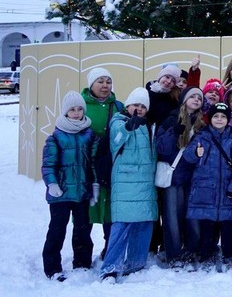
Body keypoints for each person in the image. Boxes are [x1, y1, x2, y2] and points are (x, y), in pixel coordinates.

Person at [99, 87, 157, 282]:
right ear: (128, 106)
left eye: (143, 106)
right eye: (135, 105)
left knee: (143, 224)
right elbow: (116, 139)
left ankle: (136, 264)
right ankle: (110, 268)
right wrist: (128, 127)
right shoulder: (118, 121)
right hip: (126, 183)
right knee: (121, 227)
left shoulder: (148, 125)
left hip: (146, 183)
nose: (139, 109)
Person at [182, 102, 232, 268]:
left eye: (223, 116)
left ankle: (229, 253)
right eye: (216, 116)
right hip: (206, 191)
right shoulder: (202, 136)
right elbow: (188, 157)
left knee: (228, 227)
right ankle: (206, 253)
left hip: (227, 190)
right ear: (210, 118)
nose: (219, 119)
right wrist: (196, 153)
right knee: (207, 226)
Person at [41, 90, 96, 281]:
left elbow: (94, 162)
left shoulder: (89, 134)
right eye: (72, 109)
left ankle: (82, 263)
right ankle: (52, 267)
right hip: (61, 194)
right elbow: (48, 164)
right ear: (65, 112)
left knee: (83, 230)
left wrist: (94, 185)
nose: (76, 112)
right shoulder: (55, 137)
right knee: (57, 229)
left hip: (81, 192)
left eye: (80, 109)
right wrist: (52, 183)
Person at [154, 86, 205, 268]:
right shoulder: (171, 118)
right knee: (172, 220)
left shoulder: (202, 124)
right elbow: (161, 148)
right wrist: (174, 132)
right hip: (173, 177)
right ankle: (174, 255)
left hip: (193, 178)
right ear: (184, 100)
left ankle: (191, 251)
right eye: (193, 97)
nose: (197, 100)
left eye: (200, 98)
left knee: (193, 219)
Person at [82, 67, 124, 259]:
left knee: (110, 210)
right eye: (100, 81)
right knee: (84, 212)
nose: (105, 85)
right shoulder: (80, 105)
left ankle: (109, 249)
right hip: (85, 166)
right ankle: (82, 255)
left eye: (108, 81)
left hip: (108, 166)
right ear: (91, 84)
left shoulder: (117, 106)